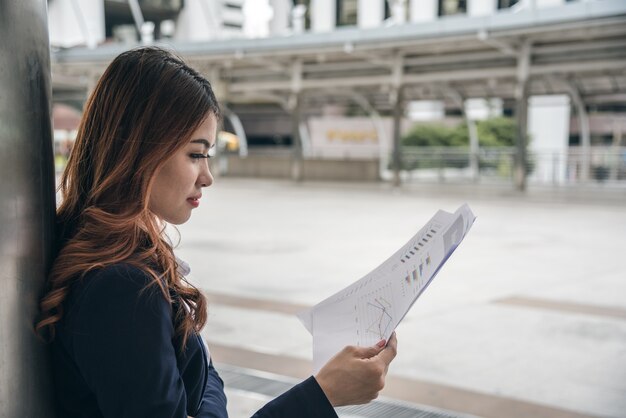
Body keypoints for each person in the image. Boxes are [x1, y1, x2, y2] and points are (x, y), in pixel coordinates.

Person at [35, 47, 397, 418]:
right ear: (139, 149)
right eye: (195, 154)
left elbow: (207, 377)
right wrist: (321, 394)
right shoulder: (122, 285)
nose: (207, 177)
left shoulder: (102, 250)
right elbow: (207, 380)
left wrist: (207, 380)